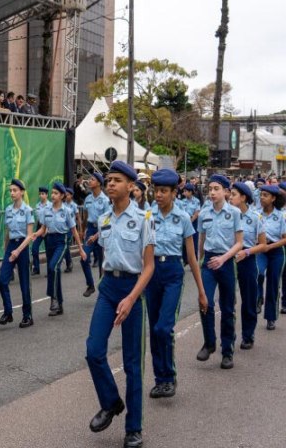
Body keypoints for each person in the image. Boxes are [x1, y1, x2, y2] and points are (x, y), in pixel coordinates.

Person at [86, 161, 155, 448]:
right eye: (108, 180)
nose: (110, 183)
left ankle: (134, 428)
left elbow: (149, 267)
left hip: (132, 290)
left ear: (131, 186)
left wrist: (131, 297)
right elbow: (106, 258)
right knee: (93, 351)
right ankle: (112, 402)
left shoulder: (143, 219)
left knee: (132, 364)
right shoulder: (103, 219)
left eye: (116, 180)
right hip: (108, 288)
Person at [146, 169, 207, 399]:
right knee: (154, 329)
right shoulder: (147, 215)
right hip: (151, 272)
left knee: (164, 327)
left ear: (174, 193)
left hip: (173, 273)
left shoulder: (182, 217)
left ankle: (169, 377)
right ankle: (160, 379)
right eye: (156, 190)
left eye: (164, 191)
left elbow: (191, 257)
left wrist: (201, 291)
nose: (158, 195)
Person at [196, 174, 243, 369]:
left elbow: (239, 242)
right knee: (204, 301)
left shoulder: (234, 213)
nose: (212, 192)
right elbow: (201, 239)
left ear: (226, 191)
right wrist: (200, 261)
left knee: (227, 307)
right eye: (210, 189)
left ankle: (227, 351)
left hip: (226, 260)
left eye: (217, 189)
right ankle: (209, 342)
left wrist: (224, 258)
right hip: (208, 260)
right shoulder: (204, 213)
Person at [22, 182, 86, 316]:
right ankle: (58, 304)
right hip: (49, 241)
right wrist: (35, 234)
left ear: (62, 196)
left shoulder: (67, 211)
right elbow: (43, 229)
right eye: (52, 193)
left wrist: (80, 248)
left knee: (52, 267)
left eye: (56, 193)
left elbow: (74, 231)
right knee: (53, 272)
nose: (53, 195)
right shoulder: (46, 210)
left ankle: (54, 298)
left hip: (61, 241)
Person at [230, 182, 266, 350]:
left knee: (249, 299)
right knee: (228, 299)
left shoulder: (255, 217)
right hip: (229, 257)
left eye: (234, 195)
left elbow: (263, 244)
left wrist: (247, 252)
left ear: (243, 197)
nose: (230, 197)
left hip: (247, 258)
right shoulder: (227, 215)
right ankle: (228, 336)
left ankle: (248, 335)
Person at [0, 179, 34, 328]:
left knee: (24, 283)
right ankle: (8, 312)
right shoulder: (9, 210)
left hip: (22, 247)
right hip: (11, 246)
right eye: (10, 190)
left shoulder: (28, 210)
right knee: (2, 280)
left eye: (15, 190)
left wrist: (18, 251)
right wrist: (6, 252)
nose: (12, 193)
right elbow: (7, 232)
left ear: (22, 192)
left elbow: (30, 235)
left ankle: (27, 316)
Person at [255, 185, 286, 329]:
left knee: (273, 284)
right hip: (260, 250)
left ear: (273, 198)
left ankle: (271, 317)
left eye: (265, 195)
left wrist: (270, 246)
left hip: (276, 251)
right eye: (261, 195)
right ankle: (258, 297)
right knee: (258, 273)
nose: (262, 198)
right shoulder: (256, 214)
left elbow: (285, 239)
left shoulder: (281, 216)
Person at [81, 172, 109, 297]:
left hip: (102, 232)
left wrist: (97, 235)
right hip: (90, 230)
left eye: (92, 179)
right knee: (84, 258)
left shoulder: (105, 200)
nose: (89, 181)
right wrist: (83, 230)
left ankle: (103, 289)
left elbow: (107, 222)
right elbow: (86, 216)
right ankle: (90, 285)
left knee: (102, 263)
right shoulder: (88, 199)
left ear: (98, 183)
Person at [31, 186, 51, 276]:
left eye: (43, 194)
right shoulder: (37, 205)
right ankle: (36, 268)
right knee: (34, 248)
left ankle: (49, 270)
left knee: (48, 251)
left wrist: (46, 229)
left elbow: (50, 219)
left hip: (48, 227)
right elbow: (38, 219)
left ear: (47, 195)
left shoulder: (50, 205)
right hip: (39, 227)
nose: (41, 195)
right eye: (40, 194)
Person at [180, 183, 200, 264]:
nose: (184, 193)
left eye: (186, 191)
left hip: (193, 222)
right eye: (184, 191)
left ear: (191, 192)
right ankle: (185, 260)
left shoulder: (196, 201)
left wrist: (190, 221)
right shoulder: (182, 201)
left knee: (194, 241)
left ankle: (194, 260)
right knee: (184, 242)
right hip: (184, 223)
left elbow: (197, 212)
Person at [62, 187, 79, 273]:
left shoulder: (74, 205)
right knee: (65, 247)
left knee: (66, 247)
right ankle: (69, 262)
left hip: (70, 229)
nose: (66, 196)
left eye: (68, 194)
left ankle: (69, 263)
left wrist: (79, 228)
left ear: (71, 196)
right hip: (64, 228)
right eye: (65, 194)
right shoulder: (63, 205)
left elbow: (78, 217)